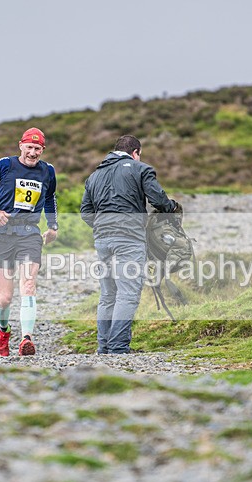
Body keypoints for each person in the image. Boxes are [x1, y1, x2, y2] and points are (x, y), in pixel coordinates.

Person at [80, 135, 180, 354]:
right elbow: (159, 200)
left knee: (108, 295)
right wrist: (172, 207)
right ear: (136, 152)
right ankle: (118, 346)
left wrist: (103, 225)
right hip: (129, 239)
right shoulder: (140, 169)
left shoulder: (94, 176)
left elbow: (85, 212)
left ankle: (104, 346)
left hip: (102, 240)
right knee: (128, 293)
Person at [0, 127, 58, 357]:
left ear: (43, 150)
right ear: (20, 145)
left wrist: (53, 226)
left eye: (37, 148)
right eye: (29, 147)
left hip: (30, 234)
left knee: (28, 286)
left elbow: (50, 198)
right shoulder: (5, 165)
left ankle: (26, 339)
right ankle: (4, 332)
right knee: (4, 298)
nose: (33, 153)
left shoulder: (47, 171)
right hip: (1, 235)